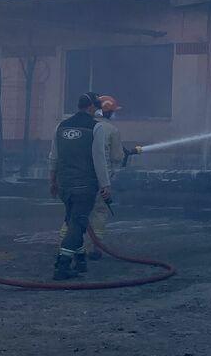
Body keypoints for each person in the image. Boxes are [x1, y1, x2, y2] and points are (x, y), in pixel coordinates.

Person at [48, 92, 111, 280]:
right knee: (78, 223)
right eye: (96, 107)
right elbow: (99, 159)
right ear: (91, 107)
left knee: (72, 220)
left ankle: (81, 258)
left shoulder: (61, 126)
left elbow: (53, 156)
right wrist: (105, 185)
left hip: (64, 184)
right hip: (85, 185)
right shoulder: (96, 128)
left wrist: (52, 181)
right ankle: (63, 263)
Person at [65, 94, 125, 261]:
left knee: (73, 214)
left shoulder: (81, 126)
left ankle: (66, 245)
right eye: (114, 112)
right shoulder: (111, 129)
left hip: (77, 178)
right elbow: (117, 157)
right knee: (98, 212)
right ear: (107, 112)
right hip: (99, 180)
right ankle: (93, 248)